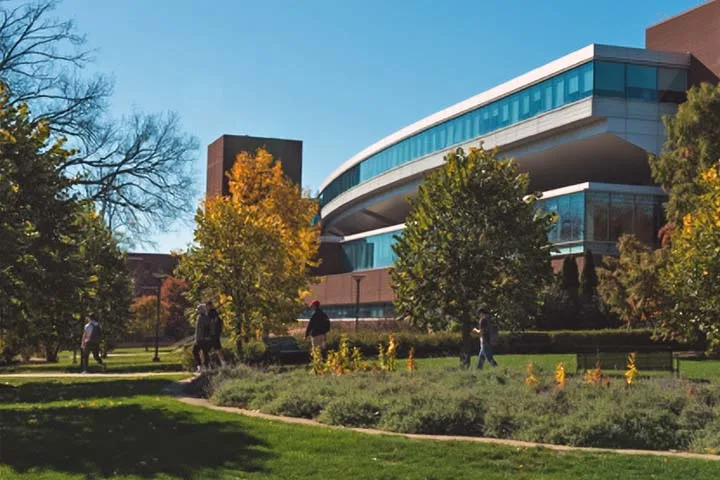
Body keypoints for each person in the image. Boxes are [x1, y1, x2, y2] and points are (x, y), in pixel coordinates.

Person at [206, 300, 227, 367]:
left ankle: (206, 365)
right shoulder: (216, 313)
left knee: (205, 350)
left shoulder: (210, 313)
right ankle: (223, 363)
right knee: (218, 349)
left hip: (211, 334)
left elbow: (208, 324)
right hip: (215, 334)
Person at [192, 304, 211, 372]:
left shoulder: (201, 318)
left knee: (195, 351)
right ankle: (206, 366)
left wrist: (197, 339)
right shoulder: (207, 317)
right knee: (205, 352)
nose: (198, 311)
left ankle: (200, 366)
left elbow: (199, 330)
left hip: (201, 339)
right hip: (205, 339)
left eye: (199, 310)